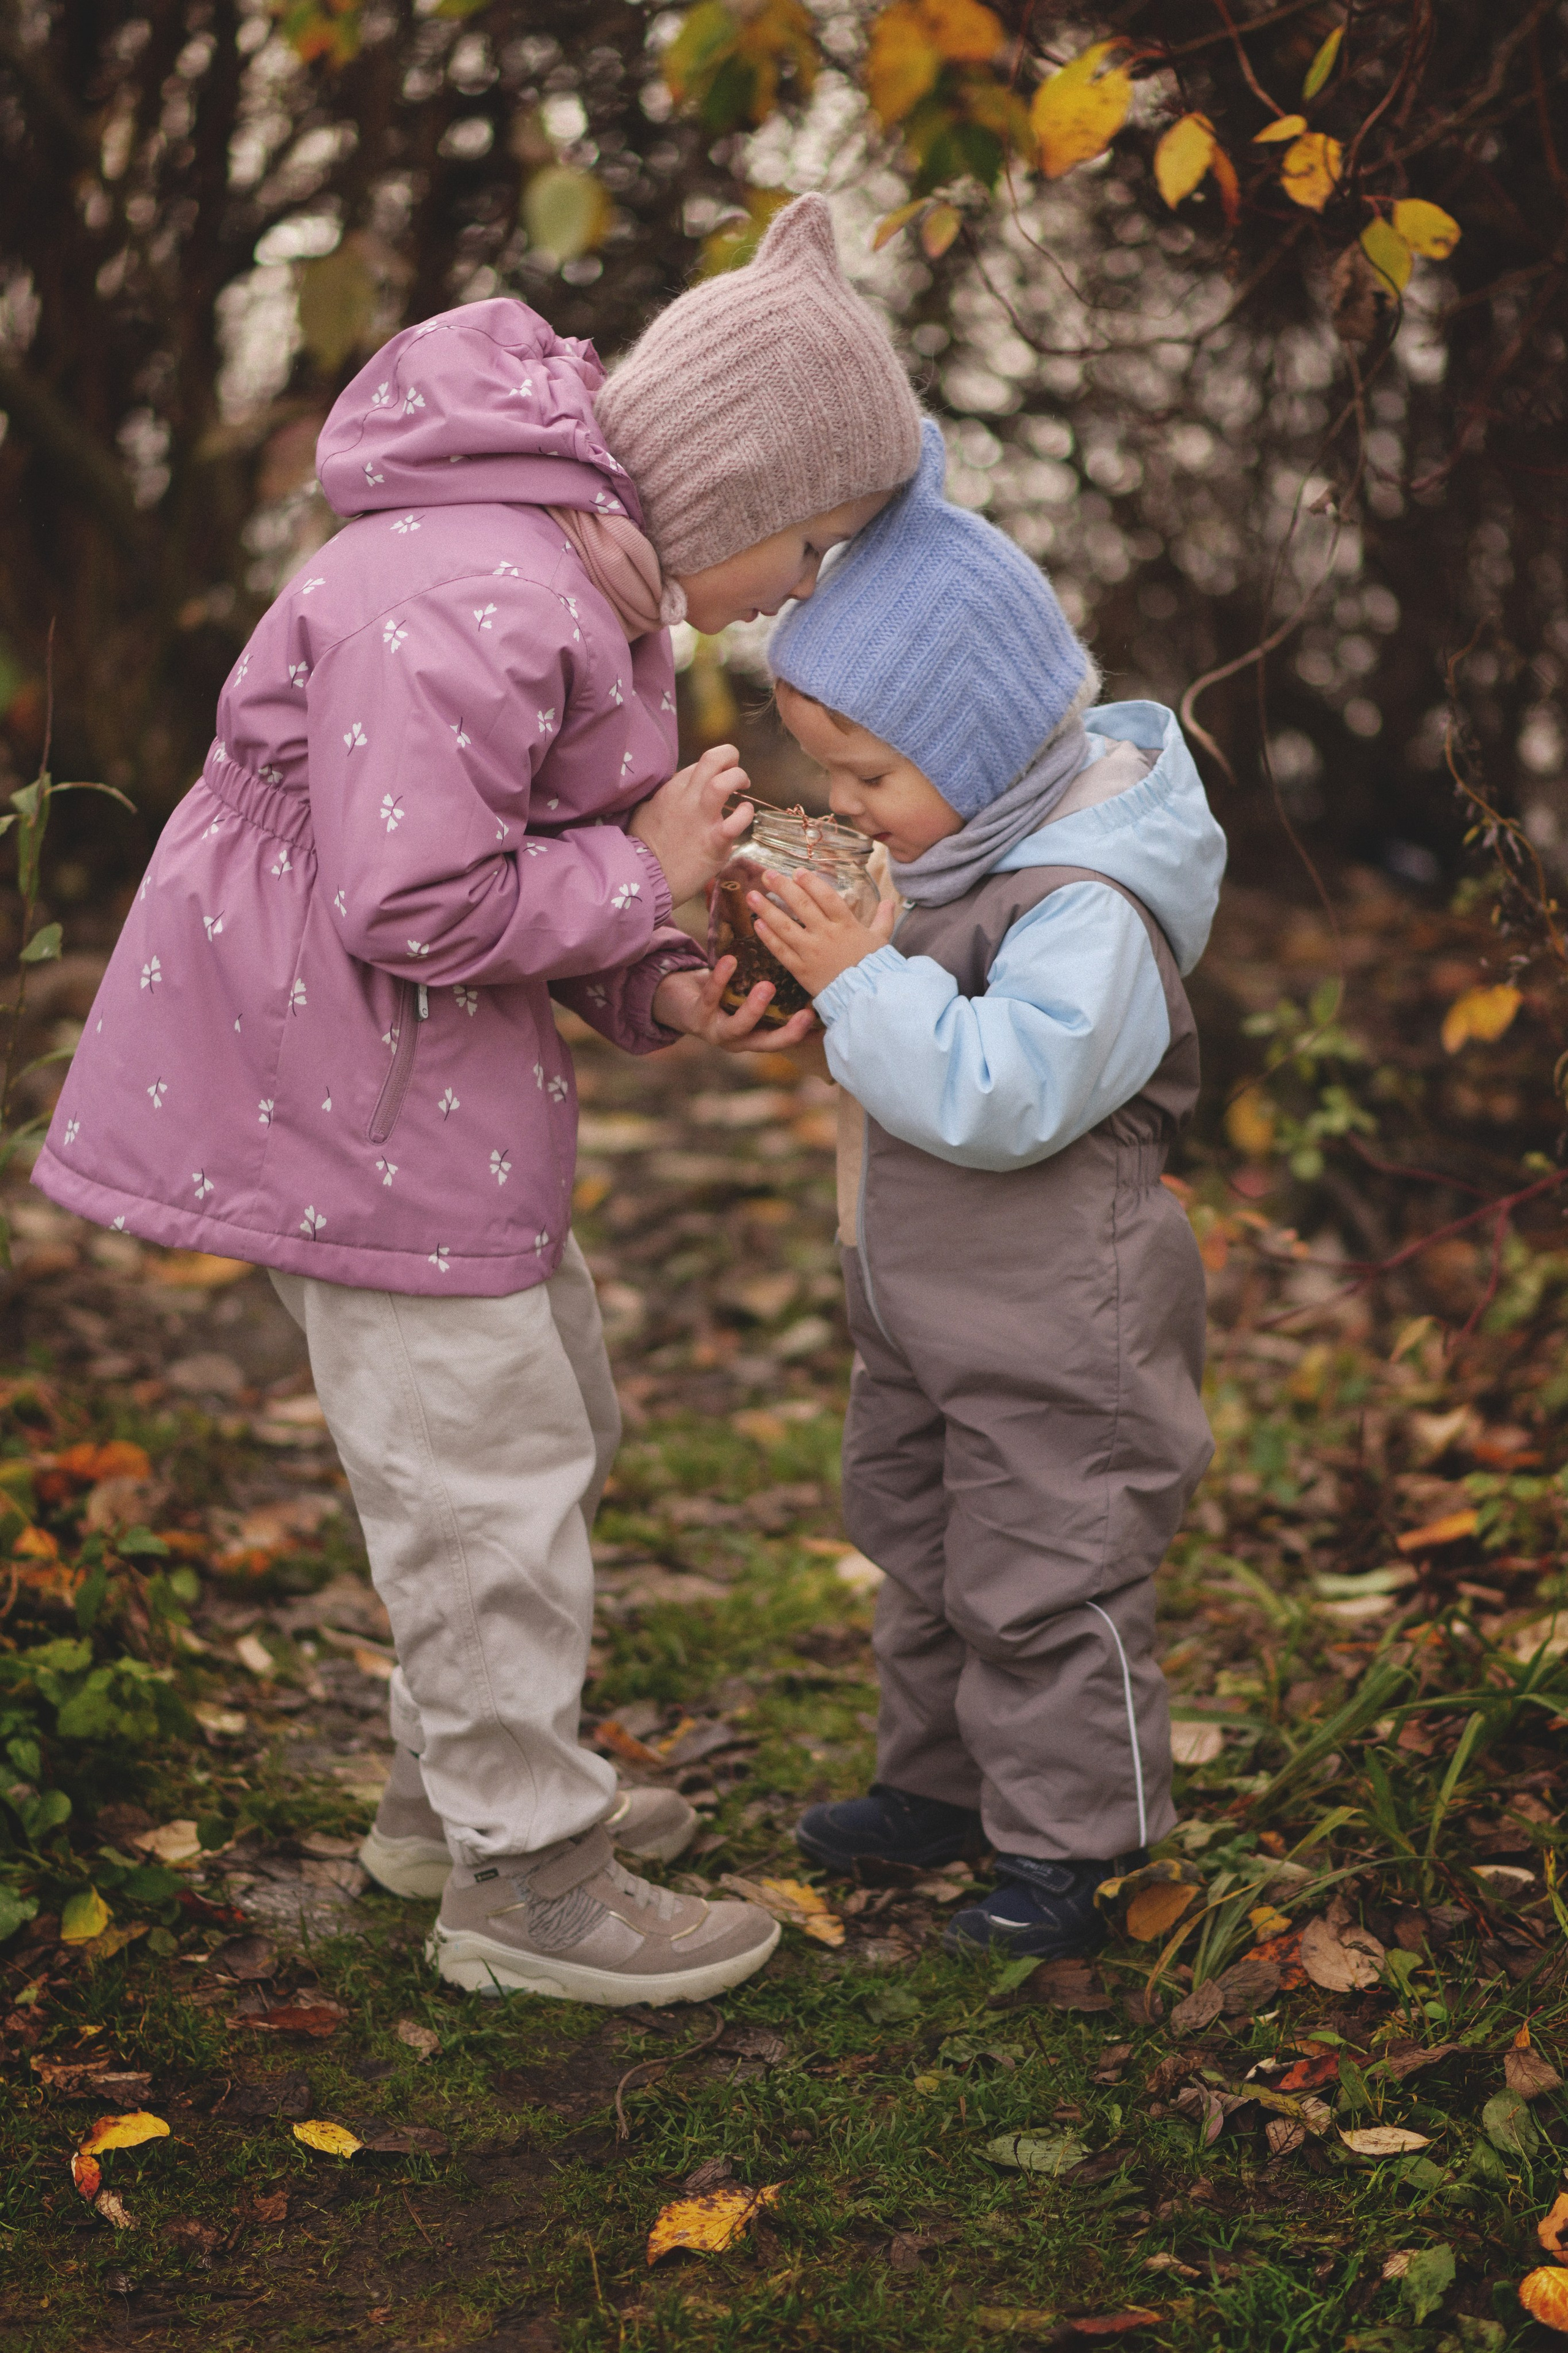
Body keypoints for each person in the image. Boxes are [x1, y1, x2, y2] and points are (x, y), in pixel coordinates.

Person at [34, 196, 924, 2006]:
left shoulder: (572, 571)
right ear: (736, 492)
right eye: (816, 547)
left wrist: (663, 973)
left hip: (417, 1086)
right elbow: (412, 902)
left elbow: (520, 859)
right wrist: (649, 874)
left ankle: (453, 1796)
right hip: (338, 1092)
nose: (807, 593)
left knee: (540, 1426)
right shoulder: (479, 586)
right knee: (483, 1471)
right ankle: (523, 1880)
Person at [756, 422, 1227, 1960]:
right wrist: (817, 959)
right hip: (924, 1311)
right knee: (921, 1544)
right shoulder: (968, 852)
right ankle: (943, 1787)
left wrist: (858, 982)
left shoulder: (1087, 905)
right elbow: (907, 1015)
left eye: (871, 773)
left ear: (980, 750)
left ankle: (1076, 1849)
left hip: (1052, 1328)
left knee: (1042, 1572)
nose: (856, 802)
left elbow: (998, 1092)